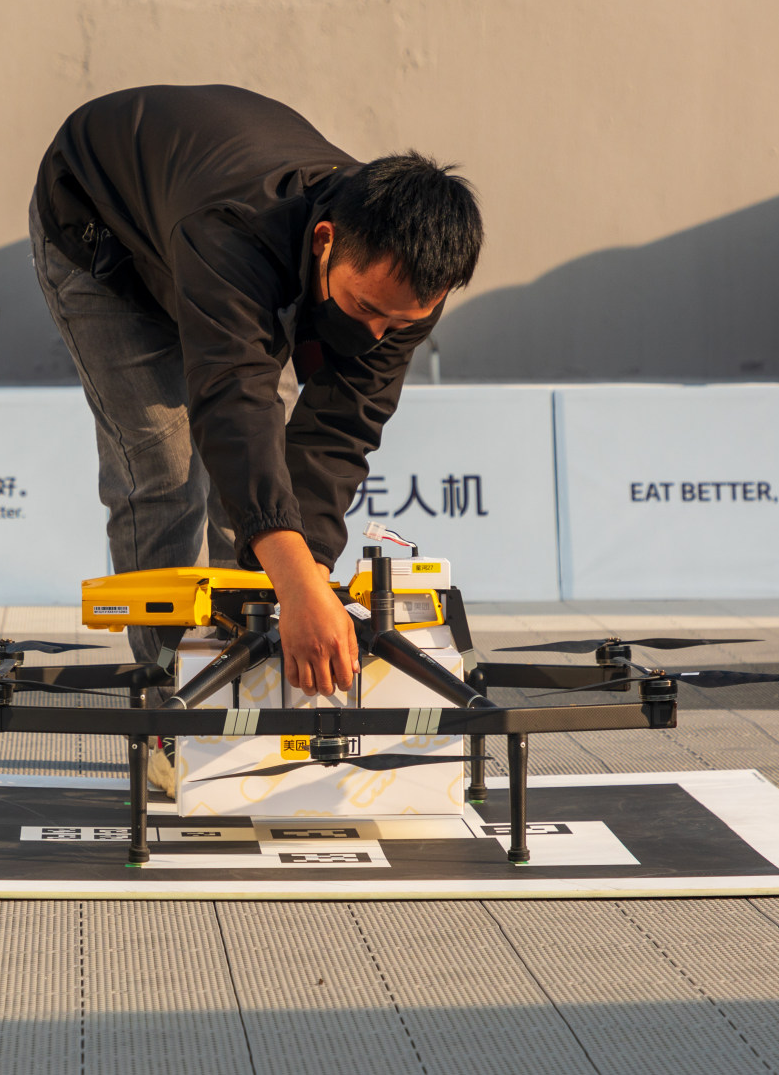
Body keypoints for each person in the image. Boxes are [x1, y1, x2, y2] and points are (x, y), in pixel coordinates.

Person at [29, 84, 483, 715]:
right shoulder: (236, 231)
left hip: (207, 223)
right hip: (104, 233)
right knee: (167, 464)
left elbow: (339, 434)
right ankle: (174, 699)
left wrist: (308, 579)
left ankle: (247, 673)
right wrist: (295, 587)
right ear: (326, 240)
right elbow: (231, 398)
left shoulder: (399, 288)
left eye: (403, 322)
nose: (381, 333)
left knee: (261, 498)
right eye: (367, 310)